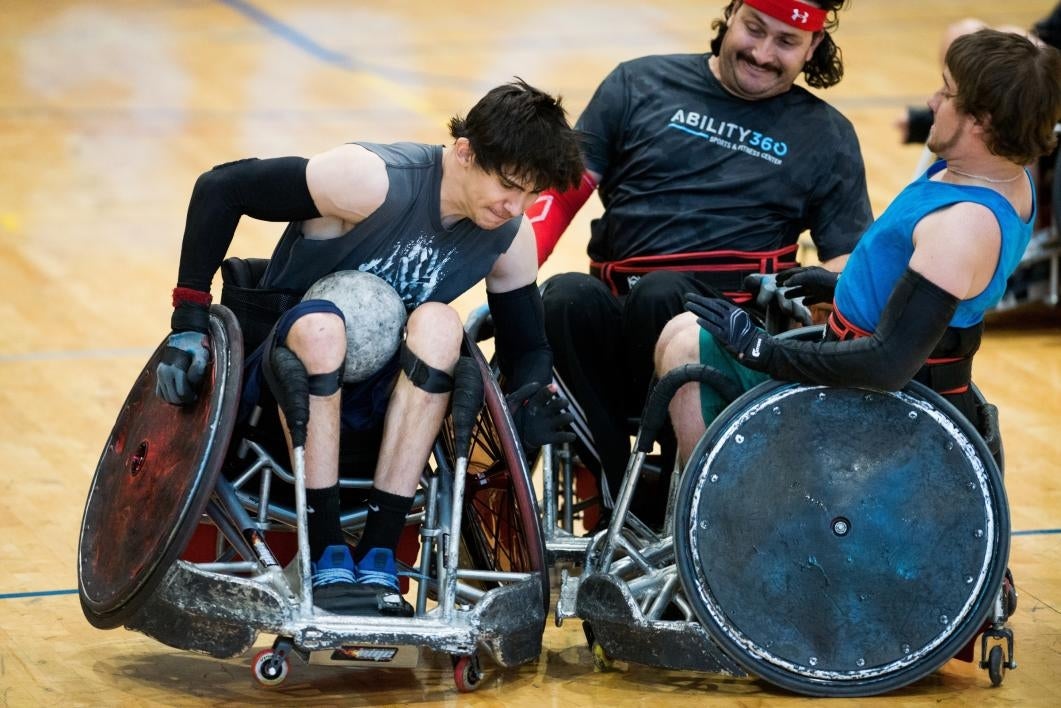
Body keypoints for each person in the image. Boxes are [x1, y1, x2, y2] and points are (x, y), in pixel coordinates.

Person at [154, 79, 583, 615]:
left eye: (531, 195)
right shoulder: (370, 180)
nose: (515, 207)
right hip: (280, 383)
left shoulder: (509, 237)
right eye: (509, 186)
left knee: (439, 324)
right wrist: (188, 319)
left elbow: (528, 348)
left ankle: (378, 552)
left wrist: (525, 399)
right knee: (326, 328)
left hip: (386, 409)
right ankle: (327, 548)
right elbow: (221, 188)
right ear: (466, 151)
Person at [657, 29, 1061, 466]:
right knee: (681, 332)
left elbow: (887, 364)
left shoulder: (964, 226)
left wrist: (764, 351)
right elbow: (923, 290)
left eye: (947, 92)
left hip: (873, 411)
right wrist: (843, 285)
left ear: (981, 121)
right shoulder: (995, 172)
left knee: (684, 352)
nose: (932, 101)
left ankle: (716, 524)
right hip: (860, 372)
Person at [528, 0, 872, 512]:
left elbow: (846, 268)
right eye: (753, 30)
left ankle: (662, 490)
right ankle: (618, 488)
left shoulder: (827, 134)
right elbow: (555, 199)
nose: (762, 53)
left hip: (726, 344)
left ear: (814, 46)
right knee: (561, 297)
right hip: (615, 332)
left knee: (665, 293)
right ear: (731, 13)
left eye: (786, 42)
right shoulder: (636, 85)